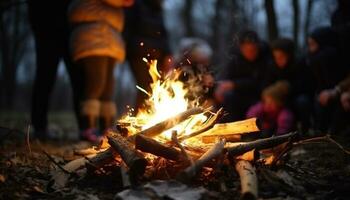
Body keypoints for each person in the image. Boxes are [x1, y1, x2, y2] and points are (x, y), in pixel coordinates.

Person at [68, 0, 134, 142]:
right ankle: (87, 128)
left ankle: (106, 129)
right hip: (93, 37)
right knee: (96, 84)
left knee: (107, 88)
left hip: (108, 39)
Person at [28, 0, 82, 140]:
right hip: (47, 25)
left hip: (68, 28)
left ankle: (85, 127)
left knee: (79, 79)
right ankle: (39, 127)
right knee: (45, 76)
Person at [124, 0, 171, 110]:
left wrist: (168, 53)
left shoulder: (158, 8)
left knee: (157, 86)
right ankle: (139, 117)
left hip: (158, 55)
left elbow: (163, 33)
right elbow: (127, 27)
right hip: (138, 53)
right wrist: (128, 48)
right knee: (145, 87)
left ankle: (150, 115)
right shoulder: (135, 4)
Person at [215, 30, 270, 122]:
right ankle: (232, 130)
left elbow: (261, 82)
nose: (251, 53)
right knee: (228, 97)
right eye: (248, 50)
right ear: (241, 48)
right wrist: (219, 87)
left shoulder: (266, 59)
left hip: (259, 95)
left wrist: (235, 84)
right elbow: (225, 77)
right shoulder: (235, 59)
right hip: (240, 95)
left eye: (254, 50)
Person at [264, 38, 313, 132]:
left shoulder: (299, 64)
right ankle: (269, 130)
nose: (278, 60)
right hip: (276, 100)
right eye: (276, 57)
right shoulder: (272, 66)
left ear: (289, 55)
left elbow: (306, 86)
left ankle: (304, 129)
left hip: (294, 98)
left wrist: (285, 89)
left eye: (281, 57)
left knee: (303, 102)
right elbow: (266, 85)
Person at [306, 27, 346, 133]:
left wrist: (336, 91)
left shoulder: (334, 58)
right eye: (308, 45)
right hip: (321, 94)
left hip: (340, 94)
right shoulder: (312, 60)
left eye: (312, 44)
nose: (310, 49)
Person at [174, 38, 215, 107]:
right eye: (202, 61)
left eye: (205, 61)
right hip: (185, 102)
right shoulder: (181, 70)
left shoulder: (205, 69)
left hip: (204, 103)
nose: (204, 64)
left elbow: (212, 90)